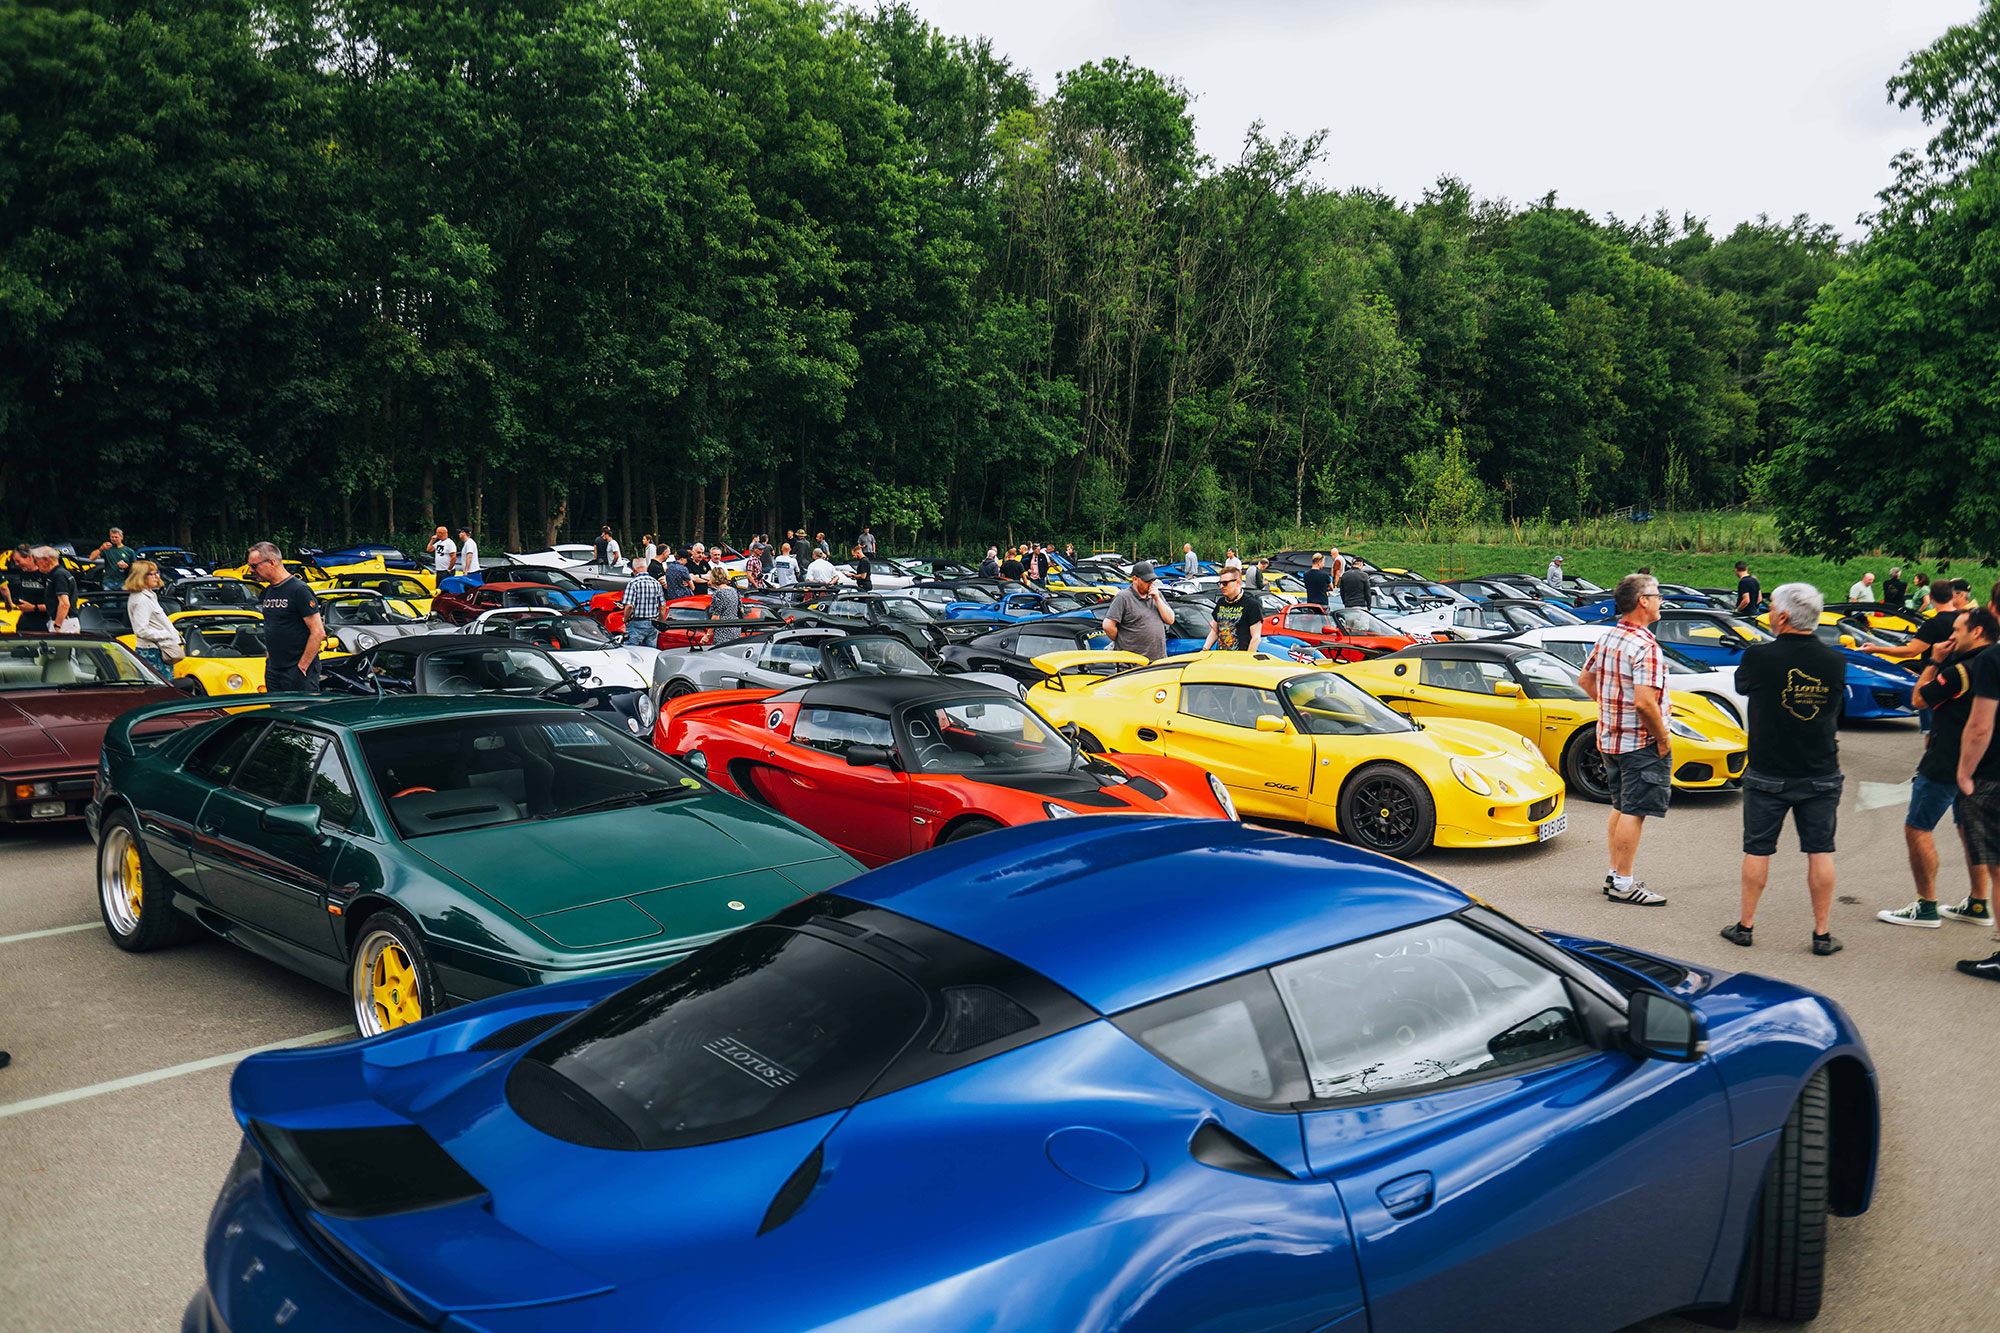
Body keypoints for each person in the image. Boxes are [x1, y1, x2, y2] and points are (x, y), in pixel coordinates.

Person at [1719, 583, 1847, 955]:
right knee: (1820, 850)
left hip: (1768, 770)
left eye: (1772, 607)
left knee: (1758, 849)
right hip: (1820, 768)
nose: (1769, 612)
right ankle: (1822, 934)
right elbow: (1833, 707)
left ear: (1783, 617)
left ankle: (1745, 926)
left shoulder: (1758, 657)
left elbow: (1743, 687)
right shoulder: (1835, 661)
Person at [1879, 607, 1995, 928]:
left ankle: (1926, 906)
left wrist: (1933, 661)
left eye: (1957, 630)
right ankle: (1977, 902)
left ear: (1977, 632)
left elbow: (1919, 699)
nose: (1951, 636)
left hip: (1946, 760)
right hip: (1983, 762)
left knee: (1918, 827)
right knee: (1969, 828)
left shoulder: (1960, 670)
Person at [1579, 574, 1672, 906]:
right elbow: (1645, 702)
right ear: (1642, 601)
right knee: (1635, 810)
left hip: (1610, 740)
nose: (1661, 600)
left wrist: (1608, 709)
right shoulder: (1645, 646)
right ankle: (1623, 883)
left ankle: (1616, 873)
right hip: (1640, 744)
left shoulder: (1609, 636)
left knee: (1620, 806)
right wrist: (1662, 739)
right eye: (1657, 595)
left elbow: (1585, 679)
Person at [1953, 607, 2000, 980]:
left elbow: (1981, 726)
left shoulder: (1991, 660)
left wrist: (1965, 772)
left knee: (1998, 869)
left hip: (1993, 775)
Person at [246, 541, 324, 692]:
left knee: (301, 712)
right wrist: (269, 659)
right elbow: (272, 626)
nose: (250, 570)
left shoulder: (299, 590)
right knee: (278, 714)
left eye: (254, 566)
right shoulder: (269, 591)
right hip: (274, 670)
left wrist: (302, 667)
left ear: (271, 562)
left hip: (298, 670)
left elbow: (318, 632)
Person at [1102, 561, 1175, 663]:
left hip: (1158, 660)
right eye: (1147, 581)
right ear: (1135, 579)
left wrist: (1157, 599)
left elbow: (1170, 620)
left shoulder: (1156, 595)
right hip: (1134, 664)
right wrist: (1123, 640)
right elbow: (1107, 625)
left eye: (1152, 580)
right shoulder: (1123, 597)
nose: (1151, 583)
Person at [124, 561, 179, 672]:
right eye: (152, 574)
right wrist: (166, 634)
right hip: (152, 652)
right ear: (141, 576)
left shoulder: (149, 596)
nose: (157, 577)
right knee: (161, 687)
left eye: (157, 573)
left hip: (157, 650)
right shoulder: (142, 599)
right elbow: (141, 630)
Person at [1203, 568, 1263, 652]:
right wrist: (1204, 649)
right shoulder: (1221, 602)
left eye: (1225, 583)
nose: (1221, 586)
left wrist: (1248, 660)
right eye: (1220, 583)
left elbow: (1256, 638)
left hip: (1239, 659)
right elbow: (1215, 631)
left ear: (1238, 582)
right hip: (1221, 658)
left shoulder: (1252, 604)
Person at [706, 568, 743, 646]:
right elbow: (741, 610)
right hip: (736, 628)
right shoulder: (734, 590)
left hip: (723, 629)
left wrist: (708, 635)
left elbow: (716, 617)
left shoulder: (718, 593)